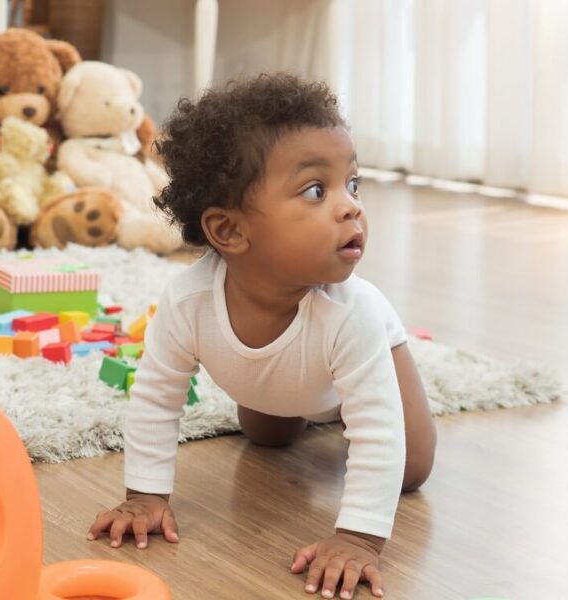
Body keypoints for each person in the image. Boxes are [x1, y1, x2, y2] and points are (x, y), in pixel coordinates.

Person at [87, 73, 437, 599]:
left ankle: (333, 412)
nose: (351, 206)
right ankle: (302, 411)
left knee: (409, 468)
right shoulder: (188, 302)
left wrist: (358, 538)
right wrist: (145, 496)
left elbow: (380, 431)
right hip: (279, 381)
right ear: (229, 231)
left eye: (353, 183)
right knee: (268, 436)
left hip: (366, 356)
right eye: (317, 190)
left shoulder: (354, 313)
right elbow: (157, 398)